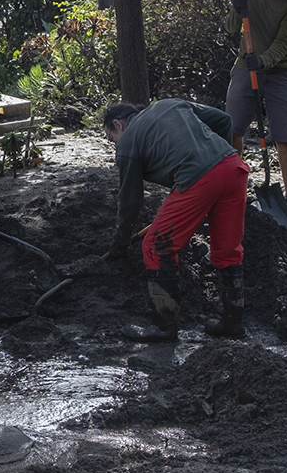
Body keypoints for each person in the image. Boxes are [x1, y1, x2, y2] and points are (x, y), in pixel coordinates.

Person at [101, 99, 250, 341]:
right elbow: (224, 120)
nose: (114, 145)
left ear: (118, 124)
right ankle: (232, 324)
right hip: (233, 168)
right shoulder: (170, 104)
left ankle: (163, 327)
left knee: (155, 246)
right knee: (227, 251)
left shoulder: (127, 143)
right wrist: (214, 161)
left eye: (111, 138)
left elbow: (130, 202)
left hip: (199, 180)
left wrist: (119, 243)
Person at [225, 0, 287, 213]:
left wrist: (264, 61)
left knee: (285, 136)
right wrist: (237, 9)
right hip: (245, 67)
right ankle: (233, 187)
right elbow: (231, 27)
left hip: (280, 70)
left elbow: (284, 41)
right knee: (233, 129)